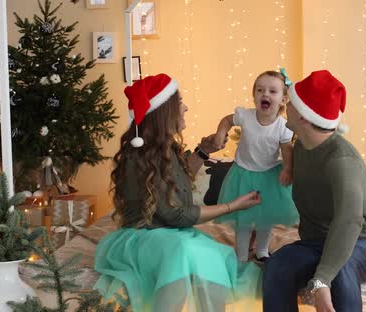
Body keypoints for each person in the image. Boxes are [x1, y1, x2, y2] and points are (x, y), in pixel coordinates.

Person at [94, 73, 262, 312]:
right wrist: (233, 206)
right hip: (144, 237)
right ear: (164, 112)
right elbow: (176, 215)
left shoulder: (164, 147)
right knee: (183, 251)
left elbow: (178, 182)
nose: (185, 107)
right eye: (179, 102)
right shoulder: (139, 156)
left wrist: (203, 151)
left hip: (170, 235)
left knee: (208, 254)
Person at [262, 70, 366, 312]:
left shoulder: (342, 159)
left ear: (303, 117)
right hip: (317, 242)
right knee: (278, 265)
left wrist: (322, 279)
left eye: (291, 102)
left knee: (340, 271)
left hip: (365, 244)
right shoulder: (301, 146)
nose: (285, 105)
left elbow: (349, 222)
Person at [212, 70, 299, 262]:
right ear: (254, 96)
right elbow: (227, 120)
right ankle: (241, 254)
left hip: (269, 176)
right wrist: (220, 133)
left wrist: (287, 168)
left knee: (265, 218)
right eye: (260, 90)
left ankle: (262, 251)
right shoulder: (246, 116)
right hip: (243, 174)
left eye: (272, 91)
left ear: (283, 100)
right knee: (243, 220)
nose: (265, 94)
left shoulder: (283, 126)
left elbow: (287, 150)